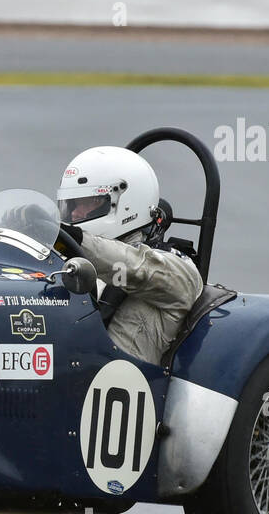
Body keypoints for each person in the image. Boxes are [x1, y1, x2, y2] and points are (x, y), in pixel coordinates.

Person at [57, 146, 203, 364]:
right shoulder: (73, 262)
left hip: (122, 381)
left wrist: (74, 239)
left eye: (89, 203)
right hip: (68, 370)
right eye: (72, 205)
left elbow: (135, 267)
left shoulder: (177, 270)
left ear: (126, 204)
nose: (75, 214)